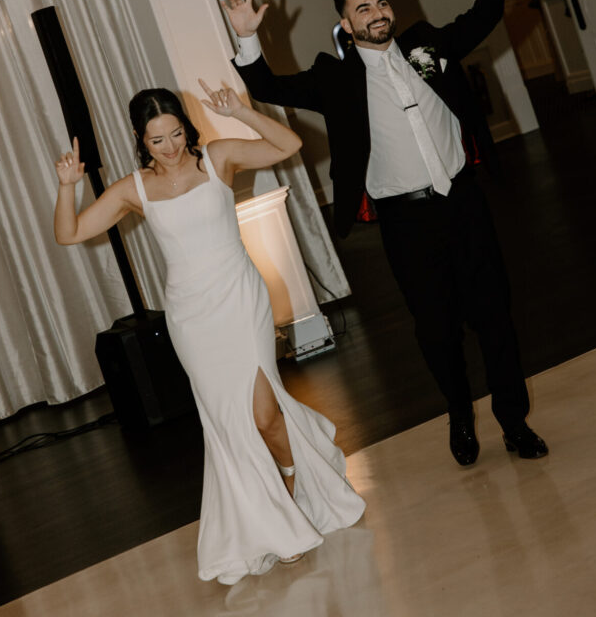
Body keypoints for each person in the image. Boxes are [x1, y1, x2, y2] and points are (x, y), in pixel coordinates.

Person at [224, 0, 548, 467]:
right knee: (437, 329)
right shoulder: (335, 78)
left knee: (495, 316)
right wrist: (248, 40)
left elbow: (485, 13)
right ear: (345, 26)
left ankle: (515, 423)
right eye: (362, 9)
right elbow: (268, 85)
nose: (376, 13)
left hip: (464, 202)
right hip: (407, 222)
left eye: (381, 3)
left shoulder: (428, 46)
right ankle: (459, 419)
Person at [54, 82, 365, 585]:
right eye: (158, 140)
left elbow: (289, 145)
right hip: (191, 319)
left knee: (265, 414)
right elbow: (69, 233)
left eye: (176, 133)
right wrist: (68, 184)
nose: (171, 147)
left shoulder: (216, 159)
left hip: (242, 302)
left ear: (187, 127)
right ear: (140, 140)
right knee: (226, 423)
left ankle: (290, 492)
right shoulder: (134, 189)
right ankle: (275, 519)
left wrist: (242, 110)